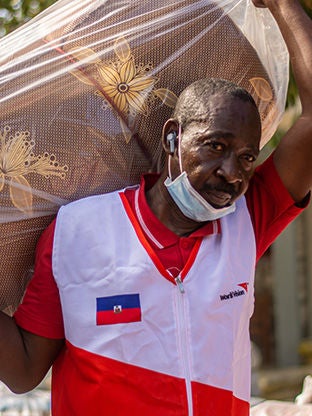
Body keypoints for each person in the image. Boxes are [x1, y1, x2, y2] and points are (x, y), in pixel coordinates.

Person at [0, 0, 311, 414]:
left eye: (247, 158)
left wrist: (282, 4)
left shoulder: (247, 221)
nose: (232, 173)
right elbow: (22, 372)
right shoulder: (77, 231)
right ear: (172, 139)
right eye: (215, 146)